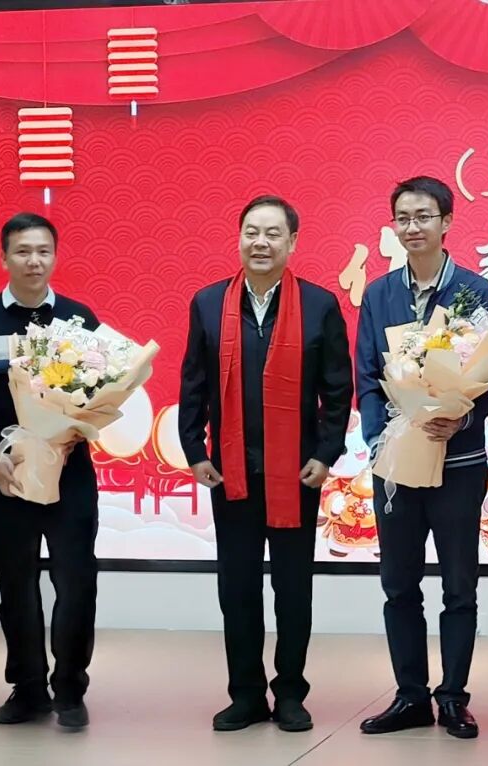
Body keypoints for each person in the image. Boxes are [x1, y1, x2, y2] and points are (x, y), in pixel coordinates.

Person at [178, 195, 353, 733]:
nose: (261, 242)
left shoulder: (319, 305)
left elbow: (337, 389)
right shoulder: (208, 303)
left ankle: (291, 693)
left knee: (293, 589)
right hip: (229, 472)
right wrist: (195, 452)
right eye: (252, 231)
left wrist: (325, 453)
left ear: (292, 242)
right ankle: (247, 694)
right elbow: (193, 385)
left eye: (273, 233)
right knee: (237, 590)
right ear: (239, 238)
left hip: (295, 474)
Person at [356, 176, 488, 740]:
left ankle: (453, 698)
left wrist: (460, 419)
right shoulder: (378, 294)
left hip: (458, 462)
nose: (412, 227)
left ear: (447, 222)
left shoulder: (475, 291)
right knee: (399, 585)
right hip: (396, 462)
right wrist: (378, 440)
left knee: (459, 585)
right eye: (403, 218)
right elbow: (368, 376)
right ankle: (410, 696)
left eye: (423, 216)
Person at [0, 212, 99, 731]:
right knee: (15, 582)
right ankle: (28, 688)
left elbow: (99, 393)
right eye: (23, 251)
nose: (34, 261)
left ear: (55, 256)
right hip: (4, 471)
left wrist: (73, 432)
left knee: (76, 581)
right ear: (5, 257)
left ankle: (70, 689)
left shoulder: (78, 320)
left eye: (43, 251)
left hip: (69, 473)